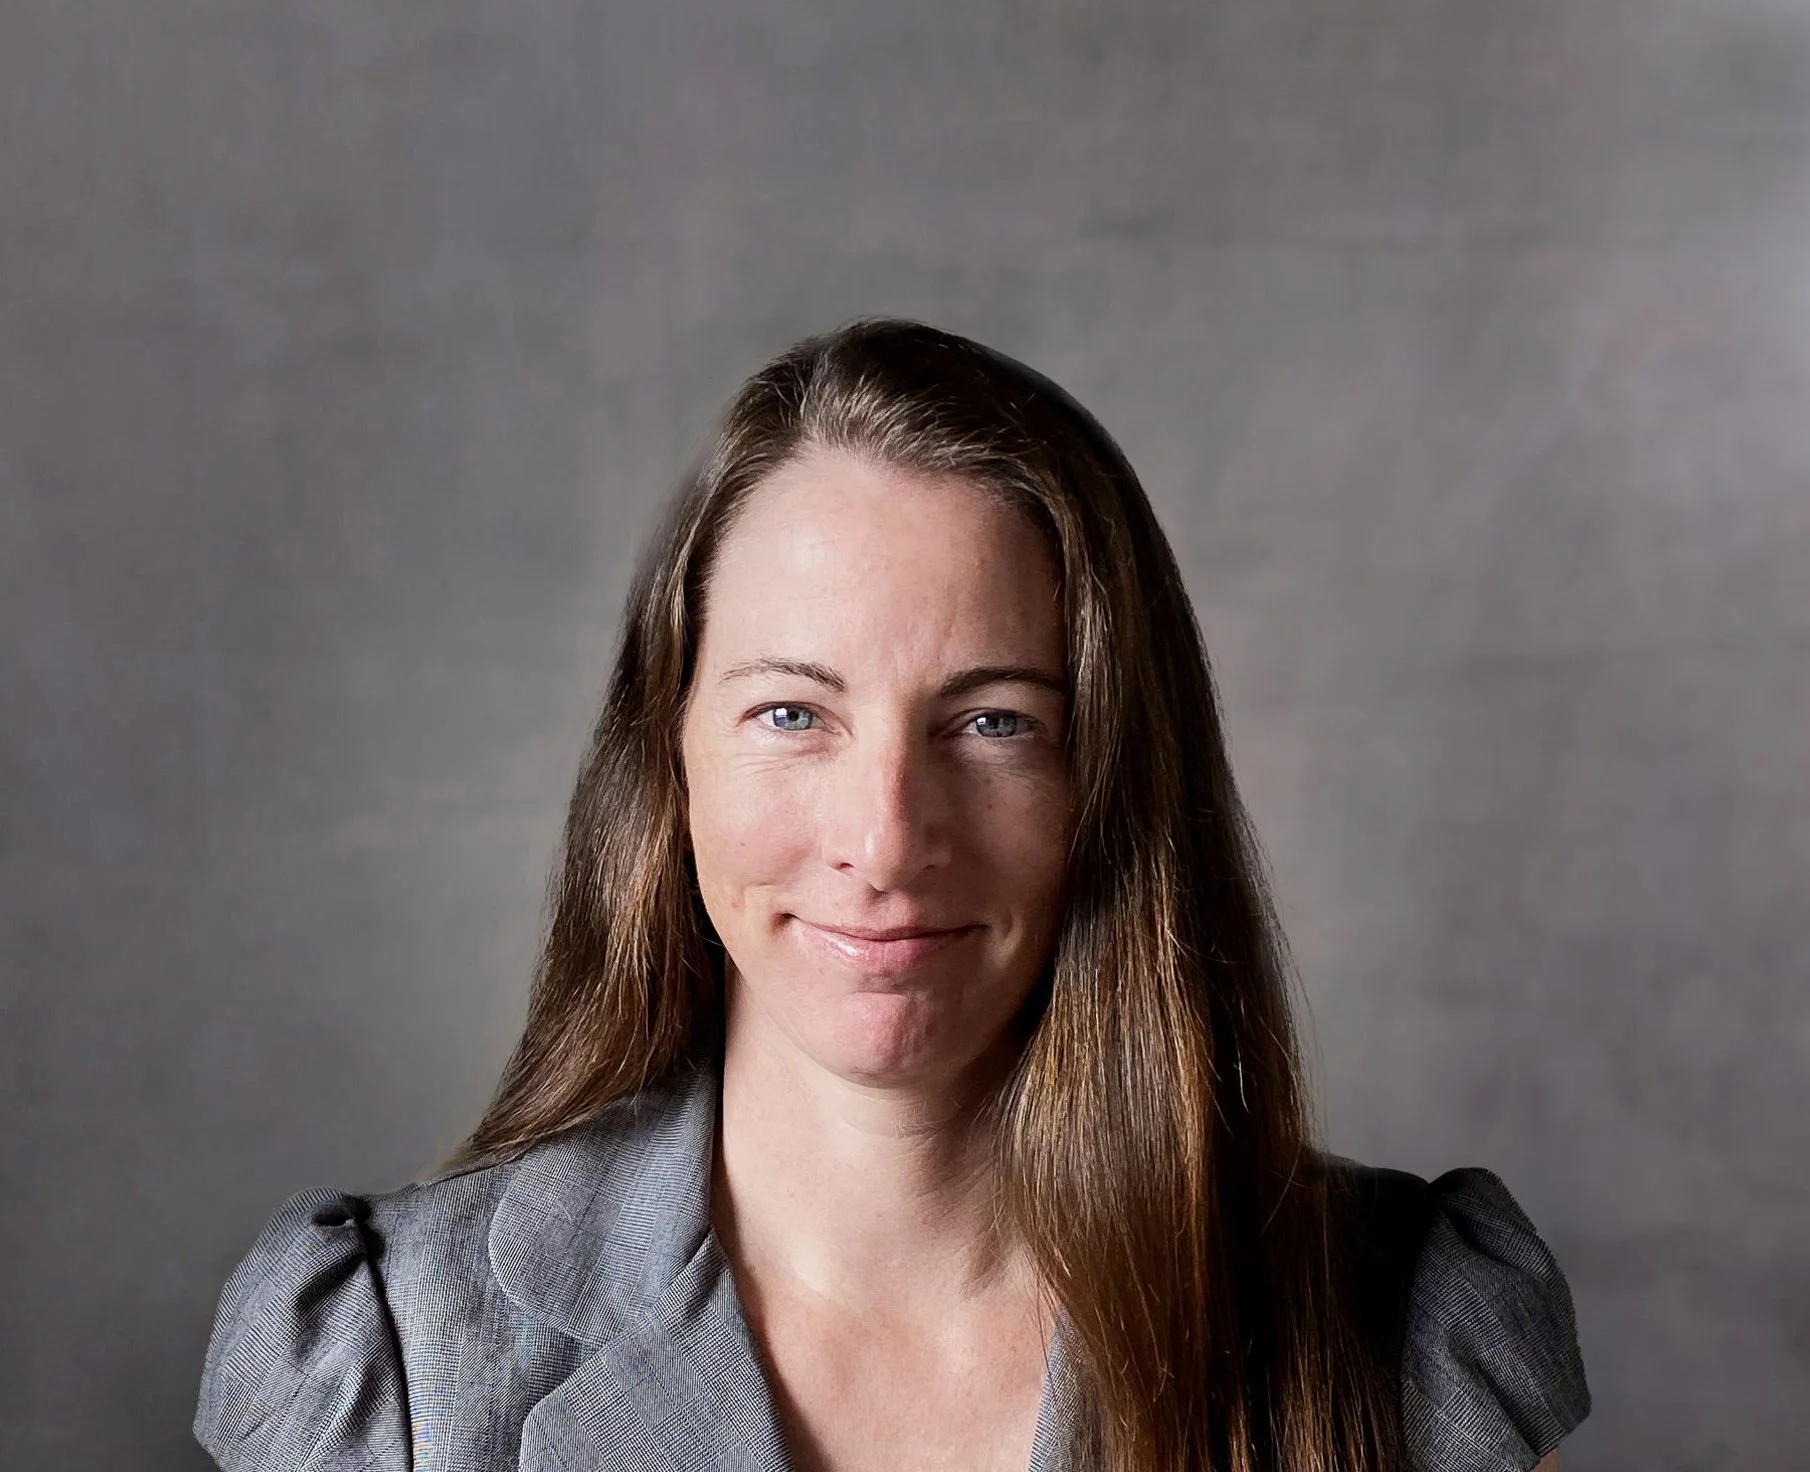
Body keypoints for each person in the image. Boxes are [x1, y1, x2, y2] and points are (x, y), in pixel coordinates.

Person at [194, 319, 1590, 1472]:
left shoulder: (1401, 1333)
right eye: (794, 714)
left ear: (1112, 778)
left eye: (993, 724)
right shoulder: (387, 1361)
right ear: (666, 761)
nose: (885, 837)